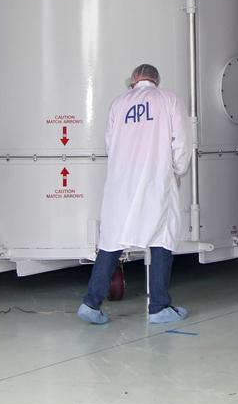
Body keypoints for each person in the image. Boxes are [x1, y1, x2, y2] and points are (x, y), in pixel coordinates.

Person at [79, 64, 191, 325]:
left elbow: (110, 143)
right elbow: (182, 142)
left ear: (133, 81)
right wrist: (178, 168)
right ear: (156, 81)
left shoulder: (118, 104)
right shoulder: (168, 100)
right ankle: (159, 307)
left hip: (121, 183)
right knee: (162, 237)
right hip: (155, 180)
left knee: (111, 241)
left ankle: (90, 304)